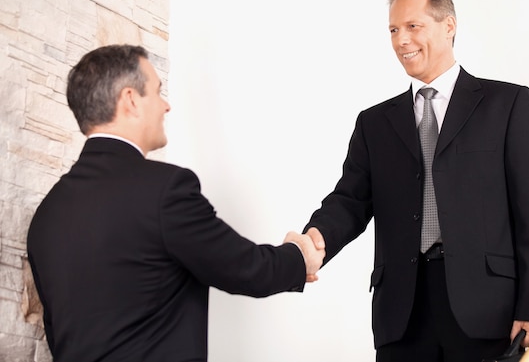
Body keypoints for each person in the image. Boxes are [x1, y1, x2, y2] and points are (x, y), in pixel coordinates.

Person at [303, 0, 529, 362]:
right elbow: (350, 200)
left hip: (488, 310)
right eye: (393, 29)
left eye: (413, 26)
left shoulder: (507, 105)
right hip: (402, 313)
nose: (401, 40)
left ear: (449, 25)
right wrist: (315, 239)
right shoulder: (374, 123)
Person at [27, 44, 325, 362]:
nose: (166, 106)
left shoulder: (46, 215)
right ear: (130, 100)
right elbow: (245, 268)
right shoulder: (165, 190)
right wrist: (299, 256)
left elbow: (57, 334)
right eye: (157, 92)